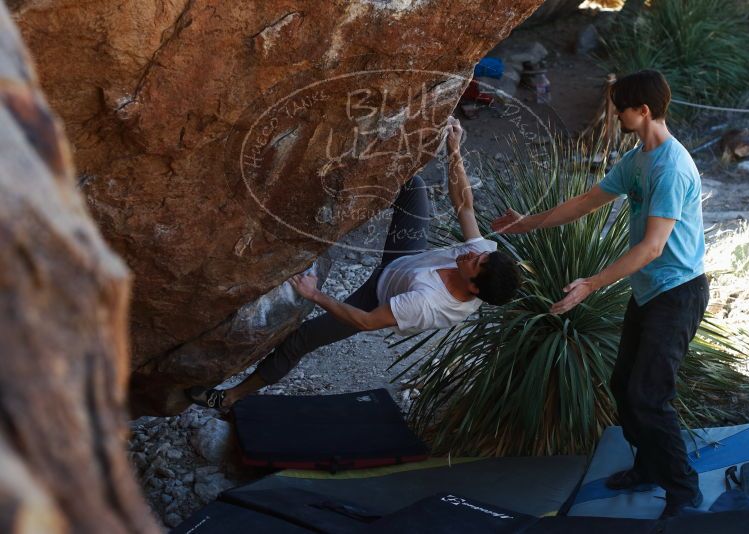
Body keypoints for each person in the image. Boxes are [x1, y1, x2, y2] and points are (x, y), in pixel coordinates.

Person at [491, 70, 708, 519]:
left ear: (642, 111)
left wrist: (591, 283)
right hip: (650, 292)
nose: (616, 115)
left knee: (649, 396)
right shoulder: (638, 159)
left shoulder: (671, 168)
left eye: (621, 109)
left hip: (678, 293)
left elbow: (651, 248)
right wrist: (526, 221)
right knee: (623, 388)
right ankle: (650, 465)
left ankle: (684, 493)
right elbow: (586, 202)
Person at [189, 116, 520, 410]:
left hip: (379, 295)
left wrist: (315, 295)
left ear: (474, 288)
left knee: (303, 339)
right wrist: (453, 147)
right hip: (405, 259)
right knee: (413, 186)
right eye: (481, 252)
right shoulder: (481, 258)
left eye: (475, 261)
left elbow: (365, 321)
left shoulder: (427, 305)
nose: (471, 252)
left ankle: (230, 398)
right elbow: (464, 207)